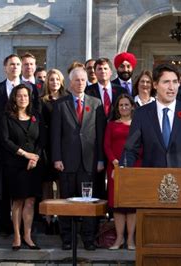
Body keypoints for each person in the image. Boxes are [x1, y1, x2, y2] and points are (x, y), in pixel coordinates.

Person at [121, 63, 181, 169]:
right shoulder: (142, 113)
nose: (171, 87)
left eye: (175, 82)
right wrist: (123, 168)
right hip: (152, 178)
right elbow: (131, 149)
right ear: (155, 85)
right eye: (166, 82)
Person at [51, 67, 106, 251]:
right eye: (77, 80)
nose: (81, 83)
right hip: (66, 162)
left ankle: (88, 238)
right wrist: (57, 158)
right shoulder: (60, 104)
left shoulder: (96, 103)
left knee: (88, 204)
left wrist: (100, 160)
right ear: (70, 82)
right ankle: (67, 238)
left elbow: (100, 135)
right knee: (67, 202)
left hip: (89, 163)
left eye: (83, 80)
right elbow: (55, 135)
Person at [0, 84, 44, 250]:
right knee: (17, 201)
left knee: (30, 202)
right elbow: (5, 140)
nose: (23, 98)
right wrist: (26, 155)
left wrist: (35, 157)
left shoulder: (36, 116)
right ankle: (17, 237)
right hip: (15, 164)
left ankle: (28, 236)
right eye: (19, 96)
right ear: (14, 98)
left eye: (25, 95)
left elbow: (41, 140)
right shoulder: (6, 117)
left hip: (33, 165)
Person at [0, 54, 24, 236]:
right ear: (5, 67)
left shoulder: (30, 88)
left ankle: (25, 228)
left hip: (24, 149)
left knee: (24, 190)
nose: (15, 67)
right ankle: (4, 226)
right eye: (11, 64)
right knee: (4, 189)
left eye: (18, 64)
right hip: (2, 149)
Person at [86, 58, 127, 201]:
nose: (102, 71)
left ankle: (113, 212)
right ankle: (99, 216)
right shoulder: (88, 91)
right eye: (99, 69)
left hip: (115, 141)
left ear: (111, 72)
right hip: (95, 141)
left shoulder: (120, 90)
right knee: (97, 179)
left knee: (115, 179)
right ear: (95, 73)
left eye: (105, 68)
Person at [104, 94, 139, 250]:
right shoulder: (111, 125)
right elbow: (107, 146)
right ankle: (119, 239)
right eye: (121, 105)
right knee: (118, 206)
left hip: (134, 168)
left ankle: (130, 240)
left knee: (131, 206)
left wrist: (130, 163)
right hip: (115, 168)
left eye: (126, 105)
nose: (123, 107)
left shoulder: (138, 125)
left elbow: (142, 145)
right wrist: (114, 161)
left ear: (132, 106)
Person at [40, 69, 69, 234]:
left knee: (62, 184)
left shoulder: (67, 100)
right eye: (51, 80)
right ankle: (48, 218)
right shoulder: (41, 101)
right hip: (47, 147)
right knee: (47, 185)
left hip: (63, 147)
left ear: (62, 81)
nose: (54, 82)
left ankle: (61, 217)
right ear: (47, 82)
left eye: (57, 79)